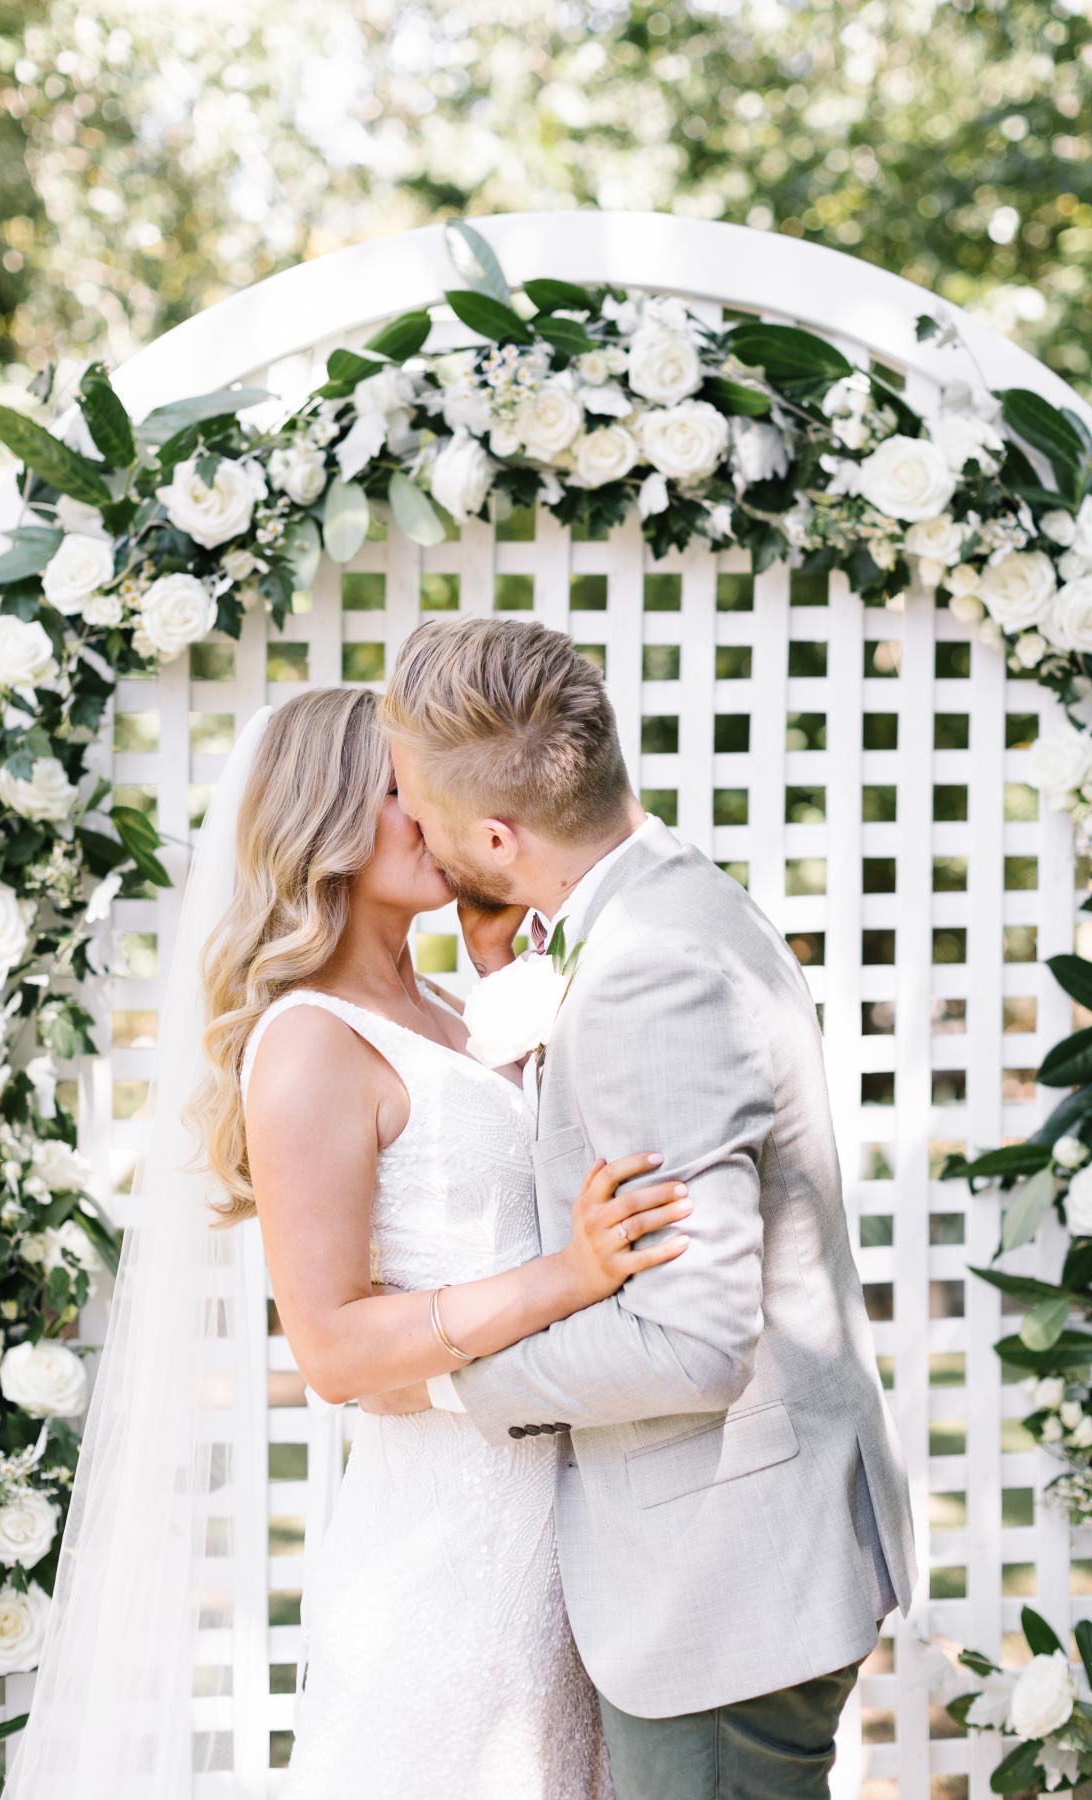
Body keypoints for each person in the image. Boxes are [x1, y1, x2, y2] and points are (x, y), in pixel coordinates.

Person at [364, 614, 920, 1800]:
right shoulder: (670, 902)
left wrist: (453, 1386)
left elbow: (693, 1343)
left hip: (720, 1595)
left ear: (499, 836)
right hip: (749, 1555)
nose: (405, 821)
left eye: (419, 800)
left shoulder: (646, 976)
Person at [211, 685, 693, 1798]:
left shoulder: (444, 1005)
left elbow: (500, 1173)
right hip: (441, 1567)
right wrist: (571, 1275)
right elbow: (330, 1348)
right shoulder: (307, 1043)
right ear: (325, 821)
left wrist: (493, 982)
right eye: (401, 791)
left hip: (563, 1539)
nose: (434, 814)